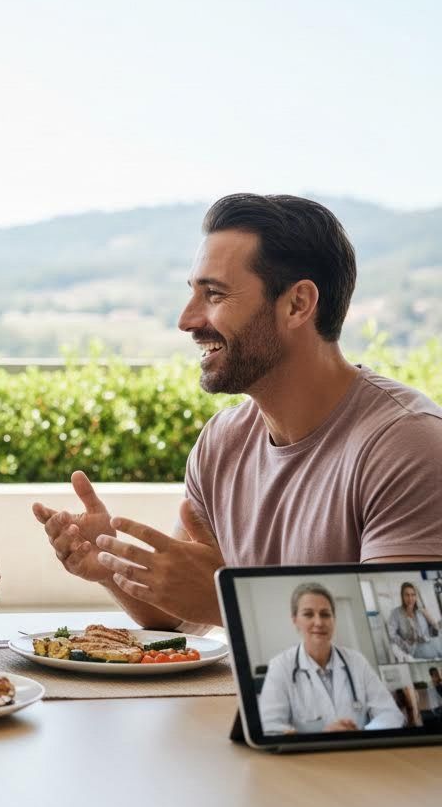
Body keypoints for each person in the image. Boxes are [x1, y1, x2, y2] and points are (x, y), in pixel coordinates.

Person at [33, 194, 442, 630]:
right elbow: (181, 614)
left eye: (214, 294)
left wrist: (228, 599)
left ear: (298, 304)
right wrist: (113, 565)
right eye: (193, 294)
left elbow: (405, 649)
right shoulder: (222, 442)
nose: (187, 320)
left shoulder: (407, 445)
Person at [258, 583, 403, 735]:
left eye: (325, 614)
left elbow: (391, 714)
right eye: (308, 614)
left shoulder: (357, 661)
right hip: (309, 757)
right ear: (295, 619)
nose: (319, 622)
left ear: (334, 619)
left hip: (359, 752)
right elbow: (270, 728)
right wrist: (321, 738)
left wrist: (361, 734)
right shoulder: (280, 666)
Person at [386, 582, 442, 660]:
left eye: (413, 595)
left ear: (416, 596)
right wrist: (405, 645)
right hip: (416, 648)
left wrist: (430, 619)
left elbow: (434, 632)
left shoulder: (421, 611)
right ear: (402, 596)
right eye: (407, 595)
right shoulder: (395, 613)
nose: (410, 598)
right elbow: (391, 634)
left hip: (432, 643)